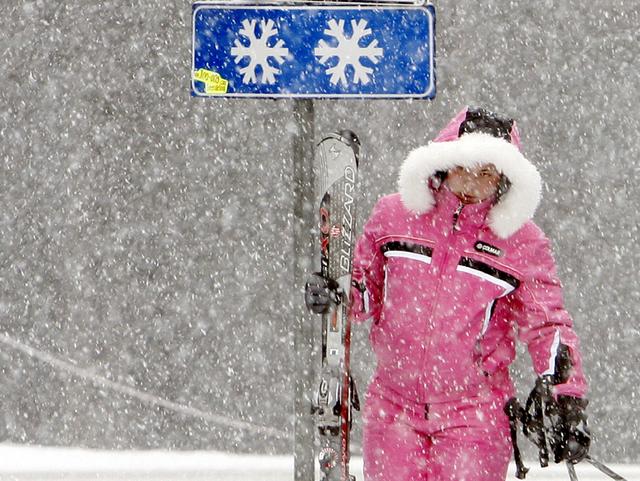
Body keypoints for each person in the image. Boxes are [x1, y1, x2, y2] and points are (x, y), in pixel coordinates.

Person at [306, 107, 590, 481]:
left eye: (486, 172)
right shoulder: (395, 215)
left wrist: (565, 397)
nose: (472, 183)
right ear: (443, 164)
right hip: (394, 409)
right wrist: (339, 293)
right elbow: (366, 292)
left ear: (504, 179)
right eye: (465, 167)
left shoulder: (521, 242)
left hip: (475, 415)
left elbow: (547, 323)